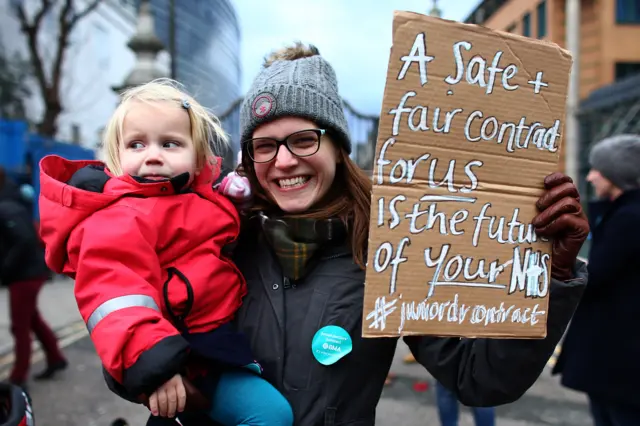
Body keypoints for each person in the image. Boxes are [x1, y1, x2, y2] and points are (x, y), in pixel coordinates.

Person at [148, 43, 590, 426]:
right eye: (265, 145)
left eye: (303, 139)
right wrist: (172, 383)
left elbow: (479, 378)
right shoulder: (214, 239)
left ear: (338, 148)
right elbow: (125, 328)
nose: (283, 161)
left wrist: (551, 273)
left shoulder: (388, 251)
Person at [37, 79, 293, 425]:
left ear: (198, 155)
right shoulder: (119, 217)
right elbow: (116, 296)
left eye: (170, 143)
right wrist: (155, 365)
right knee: (270, 414)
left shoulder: (191, 197)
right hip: (183, 354)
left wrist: (239, 200)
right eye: (136, 144)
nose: (153, 155)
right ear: (117, 154)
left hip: (216, 341)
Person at [552, 134, 640, 426]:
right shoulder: (621, 214)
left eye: (597, 170)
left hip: (618, 357)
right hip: (616, 356)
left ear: (615, 175)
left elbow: (597, 276)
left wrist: (562, 263)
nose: (589, 177)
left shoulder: (628, 218)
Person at [0, 167, 67, 389]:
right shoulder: (11, 201)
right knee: (32, 320)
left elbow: (24, 240)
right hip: (28, 272)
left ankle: (17, 379)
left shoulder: (6, 207)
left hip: (25, 275)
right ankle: (56, 358)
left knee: (20, 326)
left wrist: (6, 268)